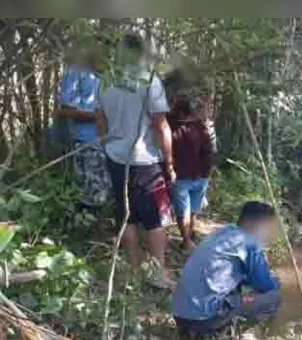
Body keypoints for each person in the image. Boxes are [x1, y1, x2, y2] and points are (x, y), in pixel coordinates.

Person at [95, 33, 175, 289]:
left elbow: (100, 118)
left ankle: (136, 267)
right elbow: (161, 125)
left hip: (116, 157)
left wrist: (107, 146)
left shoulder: (106, 80)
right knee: (155, 219)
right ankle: (158, 273)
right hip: (144, 160)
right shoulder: (150, 81)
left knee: (125, 215)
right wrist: (169, 162)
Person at [172, 201, 282, 336]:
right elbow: (264, 285)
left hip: (179, 316)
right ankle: (261, 334)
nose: (268, 234)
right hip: (204, 319)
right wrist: (276, 283)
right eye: (267, 228)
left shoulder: (223, 232)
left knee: (243, 287)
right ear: (254, 224)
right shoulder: (249, 242)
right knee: (274, 297)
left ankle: (193, 331)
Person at [54, 41, 110, 209]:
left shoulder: (106, 74)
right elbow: (65, 110)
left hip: (108, 143)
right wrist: (96, 116)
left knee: (106, 193)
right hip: (86, 143)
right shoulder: (75, 71)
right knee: (90, 196)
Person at [169, 95, 216, 251]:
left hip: (181, 176)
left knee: (183, 211)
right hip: (199, 175)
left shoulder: (171, 127)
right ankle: (190, 236)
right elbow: (209, 151)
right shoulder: (200, 127)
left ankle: (187, 239)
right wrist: (207, 173)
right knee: (193, 209)